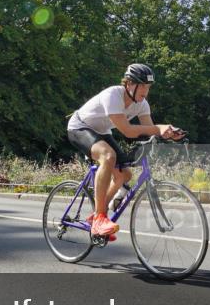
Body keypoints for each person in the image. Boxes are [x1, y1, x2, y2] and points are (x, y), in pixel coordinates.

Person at [66, 64, 185, 239]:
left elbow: (148, 129)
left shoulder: (142, 104)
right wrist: (158, 128)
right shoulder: (113, 95)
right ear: (129, 83)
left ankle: (97, 216)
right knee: (108, 156)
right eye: (142, 86)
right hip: (80, 127)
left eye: (148, 87)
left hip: (102, 132)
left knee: (124, 175)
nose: (146, 91)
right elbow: (128, 131)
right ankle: (100, 218)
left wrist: (168, 134)